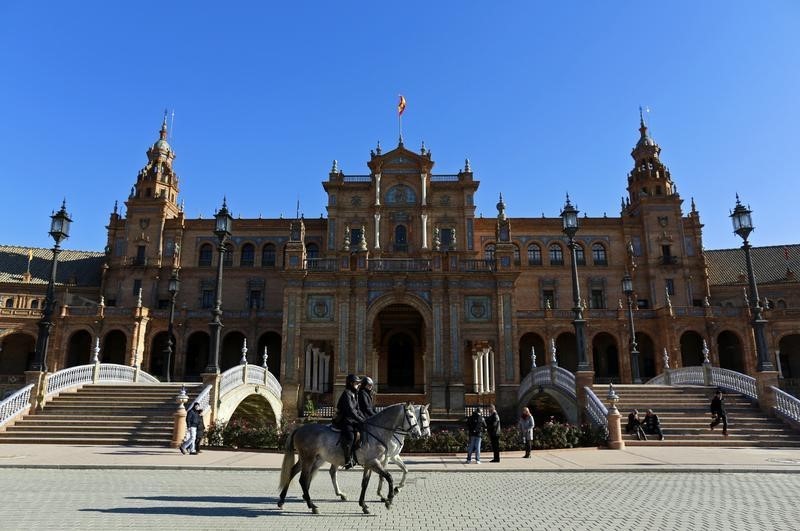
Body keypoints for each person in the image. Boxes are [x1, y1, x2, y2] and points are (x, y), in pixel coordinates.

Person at [333, 373, 367, 469]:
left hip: (352, 420)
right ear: (351, 383)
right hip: (344, 420)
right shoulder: (346, 393)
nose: (358, 385)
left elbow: (358, 409)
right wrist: (360, 420)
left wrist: (364, 419)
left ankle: (357, 456)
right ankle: (347, 460)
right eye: (356, 383)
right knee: (351, 437)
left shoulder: (354, 394)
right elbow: (350, 411)